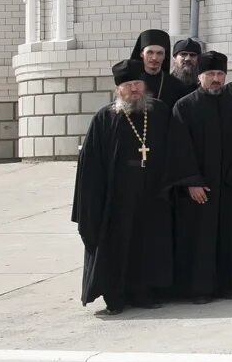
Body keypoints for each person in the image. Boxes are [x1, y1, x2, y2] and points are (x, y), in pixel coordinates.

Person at [72, 58, 198, 314]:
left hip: (154, 193)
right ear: (118, 89)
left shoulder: (160, 112)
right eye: (128, 85)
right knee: (118, 244)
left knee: (149, 243)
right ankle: (115, 295)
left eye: (138, 84)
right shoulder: (105, 118)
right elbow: (90, 165)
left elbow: (178, 149)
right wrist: (91, 203)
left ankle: (144, 291)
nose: (134, 89)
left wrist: (184, 181)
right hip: (117, 197)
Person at [171, 51, 232, 302]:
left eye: (220, 74)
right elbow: (180, 149)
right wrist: (191, 181)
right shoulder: (184, 106)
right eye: (210, 74)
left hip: (230, 185)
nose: (216, 79)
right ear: (199, 76)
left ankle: (228, 284)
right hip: (200, 188)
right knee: (200, 238)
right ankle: (200, 289)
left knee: (230, 235)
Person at [130, 29, 191, 107]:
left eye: (159, 53)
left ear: (165, 56)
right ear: (142, 54)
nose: (154, 58)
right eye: (150, 52)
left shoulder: (176, 85)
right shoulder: (130, 84)